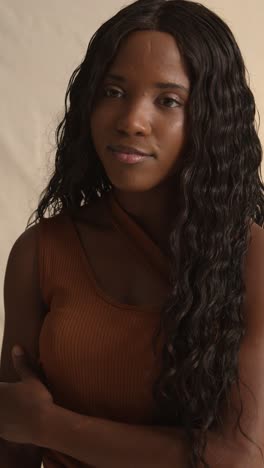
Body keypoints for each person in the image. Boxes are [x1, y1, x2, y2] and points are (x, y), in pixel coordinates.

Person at [1, 0, 264, 466]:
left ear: (210, 118)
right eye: (114, 91)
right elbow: (11, 439)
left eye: (168, 100)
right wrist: (26, 427)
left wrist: (50, 426)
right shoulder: (40, 253)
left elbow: (238, 457)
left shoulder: (253, 260)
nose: (131, 121)